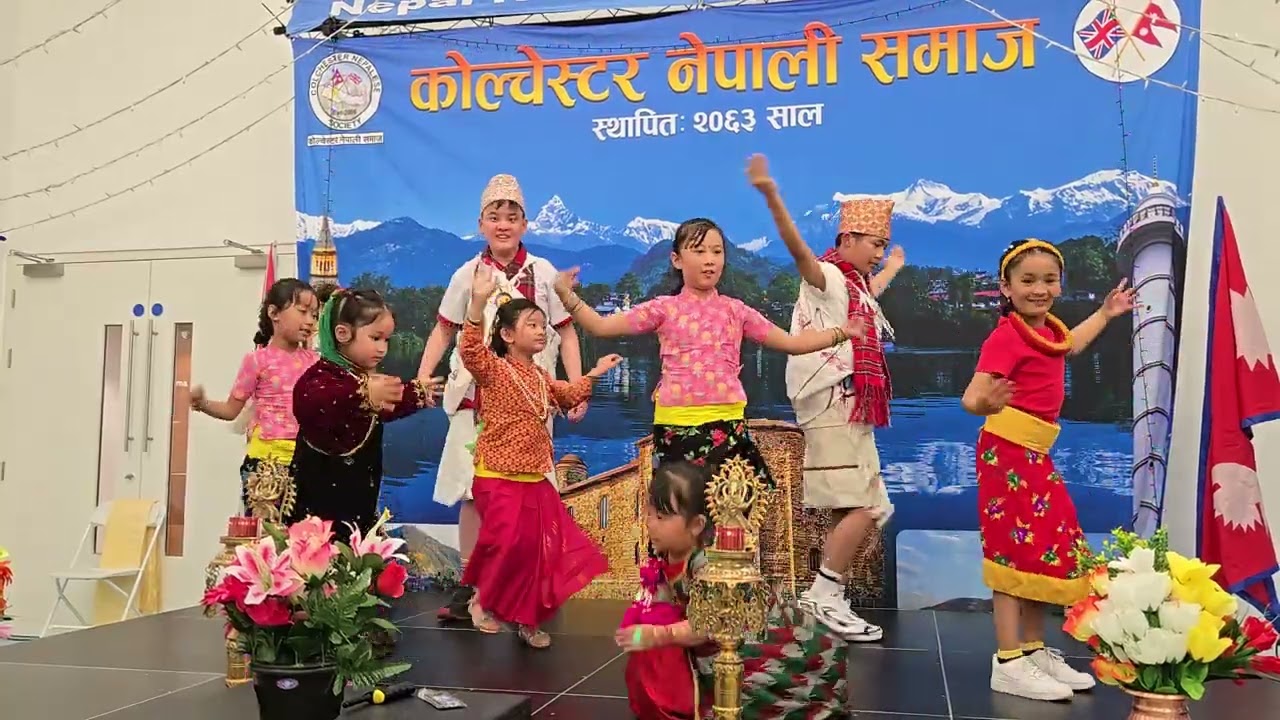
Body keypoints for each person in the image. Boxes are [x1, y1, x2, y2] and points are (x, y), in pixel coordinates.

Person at [552, 217, 864, 486]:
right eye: (698, 251)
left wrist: (842, 332)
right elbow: (601, 327)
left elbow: (792, 344)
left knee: (734, 527)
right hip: (675, 427)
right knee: (678, 525)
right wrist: (567, 296)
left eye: (717, 252)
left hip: (728, 425)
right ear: (677, 259)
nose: (709, 260)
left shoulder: (736, 311)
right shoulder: (664, 309)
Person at [961, 239, 1134, 701]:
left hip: (1033, 453)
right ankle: (1008, 660)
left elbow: (1069, 346)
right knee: (1012, 553)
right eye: (1028, 280)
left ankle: (1033, 649)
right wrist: (986, 402)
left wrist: (1107, 312)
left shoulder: (1047, 331)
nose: (1040, 289)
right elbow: (971, 397)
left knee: (1042, 549)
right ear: (1006, 287)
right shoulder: (1005, 336)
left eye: (1049, 280)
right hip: (1008, 453)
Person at [417, 174, 586, 625]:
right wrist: (422, 372)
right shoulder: (467, 274)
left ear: (525, 224)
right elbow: (445, 328)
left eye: (512, 216)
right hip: (477, 399)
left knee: (532, 493)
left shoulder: (545, 274)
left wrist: (573, 387)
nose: (504, 224)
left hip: (530, 402)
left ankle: (525, 589)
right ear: (481, 224)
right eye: (495, 216)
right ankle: (472, 587)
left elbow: (567, 333)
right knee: (473, 493)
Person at [747, 154, 903, 642]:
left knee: (865, 506)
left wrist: (893, 269)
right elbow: (797, 250)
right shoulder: (824, 277)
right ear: (848, 239)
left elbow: (868, 297)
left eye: (884, 245)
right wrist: (772, 195)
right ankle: (824, 594)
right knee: (862, 506)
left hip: (850, 406)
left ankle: (827, 594)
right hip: (833, 400)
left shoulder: (851, 284)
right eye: (876, 244)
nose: (879, 252)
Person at [458, 264, 614, 648]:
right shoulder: (493, 369)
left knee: (537, 554)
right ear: (508, 335)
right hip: (497, 474)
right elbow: (470, 349)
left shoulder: (541, 376)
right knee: (503, 544)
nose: (541, 330)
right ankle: (482, 600)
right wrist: (477, 303)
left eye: (543, 324)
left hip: (533, 477)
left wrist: (594, 374)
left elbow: (566, 395)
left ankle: (528, 620)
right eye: (531, 324)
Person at [289, 288, 444, 534]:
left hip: (359, 507)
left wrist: (416, 394)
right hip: (316, 515)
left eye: (386, 340)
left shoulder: (363, 379)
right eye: (375, 338)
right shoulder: (318, 379)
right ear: (342, 333)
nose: (383, 348)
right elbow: (313, 401)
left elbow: (388, 404)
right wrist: (361, 393)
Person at [191, 278, 319, 523]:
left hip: (307, 459)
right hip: (265, 464)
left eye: (314, 314)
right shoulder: (257, 361)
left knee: (303, 534)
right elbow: (231, 410)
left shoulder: (315, 362)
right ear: (274, 313)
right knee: (264, 537)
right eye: (302, 312)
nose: (310, 321)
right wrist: (203, 403)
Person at [615, 461, 713, 720]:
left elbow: (704, 626)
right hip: (683, 640)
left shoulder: (704, 567)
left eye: (661, 517)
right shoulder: (664, 561)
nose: (650, 524)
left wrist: (660, 634)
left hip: (714, 645)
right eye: (649, 514)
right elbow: (652, 604)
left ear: (696, 525)